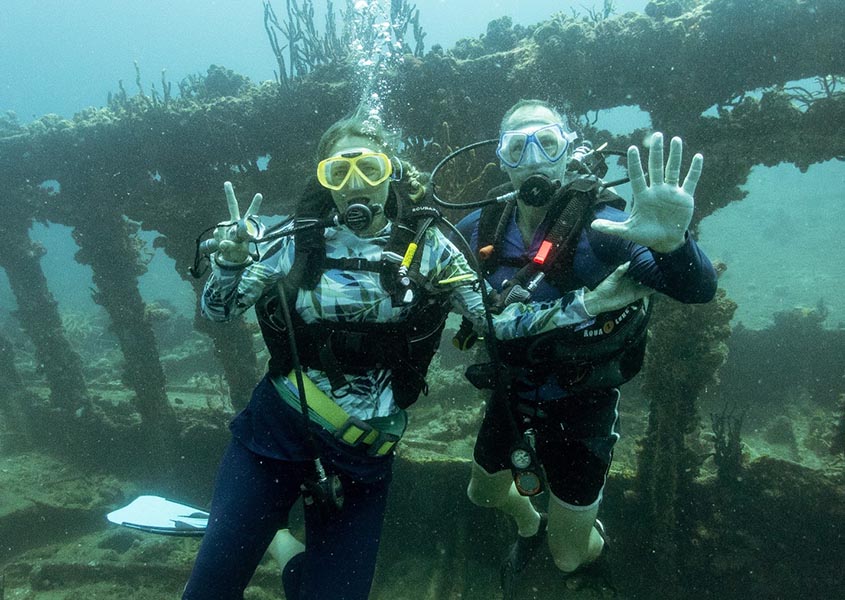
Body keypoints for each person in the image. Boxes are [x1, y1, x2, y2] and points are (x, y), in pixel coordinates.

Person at [181, 110, 647, 600]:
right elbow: (220, 310)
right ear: (324, 180)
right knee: (209, 591)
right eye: (338, 172)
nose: (355, 185)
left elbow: (498, 325)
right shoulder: (294, 241)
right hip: (272, 435)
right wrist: (229, 265)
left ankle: (282, 545)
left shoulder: (431, 248)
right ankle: (266, 533)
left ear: (391, 171)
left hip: (363, 455)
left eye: (370, 169)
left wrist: (590, 302)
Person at [457, 99, 718, 595]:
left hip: (585, 401)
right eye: (517, 147)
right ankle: (530, 523)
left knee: (568, 557)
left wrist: (672, 245)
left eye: (547, 143)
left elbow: (698, 288)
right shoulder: (480, 228)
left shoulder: (604, 229)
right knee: (482, 494)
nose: (533, 159)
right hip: (514, 390)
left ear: (567, 150)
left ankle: (584, 544)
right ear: (501, 159)